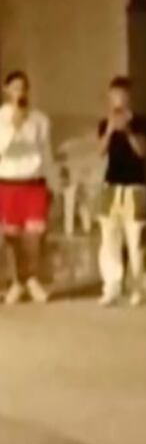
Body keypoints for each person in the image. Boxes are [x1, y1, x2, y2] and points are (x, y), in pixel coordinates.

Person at [0, 71, 56, 304]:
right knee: (12, 237)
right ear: (6, 91)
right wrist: (14, 126)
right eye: (14, 88)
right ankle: (17, 281)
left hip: (33, 182)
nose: (19, 92)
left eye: (23, 88)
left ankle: (31, 279)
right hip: (8, 182)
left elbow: (45, 152)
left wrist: (53, 183)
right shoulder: (1, 117)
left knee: (34, 236)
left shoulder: (40, 120)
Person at [97, 76, 146, 307]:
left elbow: (142, 152)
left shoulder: (141, 122)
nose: (117, 100)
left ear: (129, 97)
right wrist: (110, 130)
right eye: (114, 95)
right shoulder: (104, 123)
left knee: (134, 239)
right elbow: (100, 151)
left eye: (122, 95)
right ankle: (111, 285)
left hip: (135, 186)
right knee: (109, 238)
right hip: (111, 185)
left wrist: (128, 130)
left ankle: (137, 286)